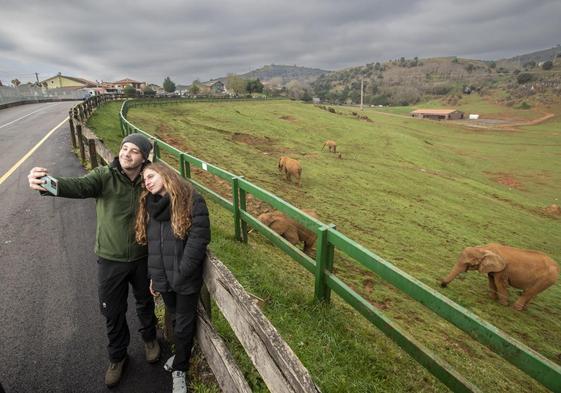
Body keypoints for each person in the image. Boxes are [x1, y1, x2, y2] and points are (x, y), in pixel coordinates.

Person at [28, 133, 161, 388]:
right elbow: (76, 187)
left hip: (143, 257)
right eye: (124, 148)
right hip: (110, 258)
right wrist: (46, 183)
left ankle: (150, 339)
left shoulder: (149, 182)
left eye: (134, 150)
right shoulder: (104, 176)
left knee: (145, 302)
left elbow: (174, 195)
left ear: (144, 157)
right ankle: (117, 357)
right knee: (113, 311)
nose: (126, 153)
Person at [135, 162, 210, 393]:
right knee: (176, 319)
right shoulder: (151, 205)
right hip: (164, 279)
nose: (146, 181)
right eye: (144, 180)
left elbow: (199, 239)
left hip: (185, 279)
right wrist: (154, 277)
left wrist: (181, 273)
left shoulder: (191, 200)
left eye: (150, 175)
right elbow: (153, 248)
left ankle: (180, 369)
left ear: (165, 173)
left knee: (185, 323)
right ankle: (181, 354)